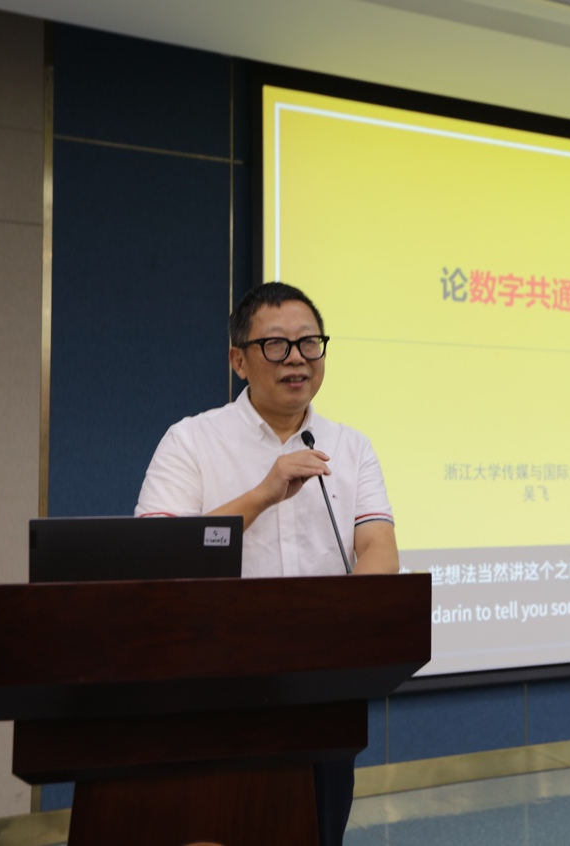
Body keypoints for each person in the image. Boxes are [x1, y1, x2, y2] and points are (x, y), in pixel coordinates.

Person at [136, 281, 398, 846]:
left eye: (309, 343)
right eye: (276, 345)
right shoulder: (191, 440)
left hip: (324, 687)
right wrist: (263, 493)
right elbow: (158, 557)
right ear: (239, 360)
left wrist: (346, 627)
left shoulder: (352, 447)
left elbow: (379, 549)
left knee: (321, 831)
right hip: (217, 687)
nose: (297, 358)